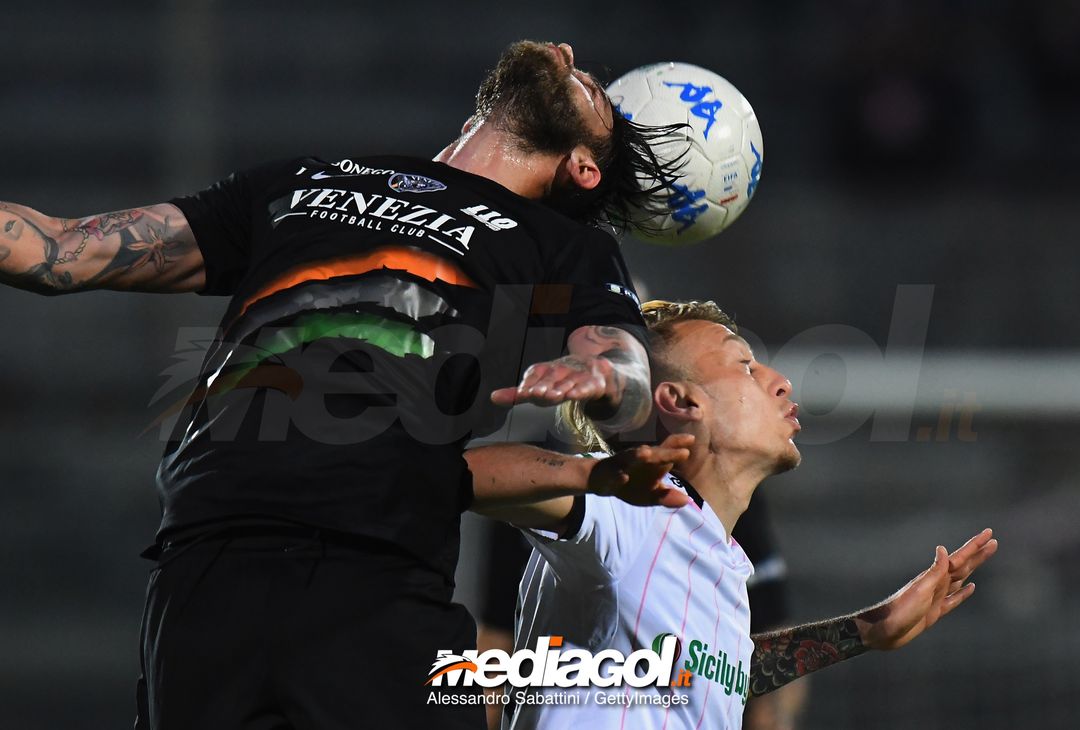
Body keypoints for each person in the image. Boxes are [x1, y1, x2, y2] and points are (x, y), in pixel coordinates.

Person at [0, 41, 689, 730]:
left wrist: (606, 374)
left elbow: (625, 369)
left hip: (374, 574)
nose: (567, 53)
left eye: (589, 84)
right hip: (204, 565)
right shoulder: (305, 179)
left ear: (583, 168)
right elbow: (60, 251)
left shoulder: (559, 247)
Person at [472, 300, 998, 729]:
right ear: (681, 401)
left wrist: (866, 630)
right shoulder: (629, 507)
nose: (781, 382)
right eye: (744, 365)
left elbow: (715, 672)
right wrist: (589, 475)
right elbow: (464, 473)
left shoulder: (719, 556)